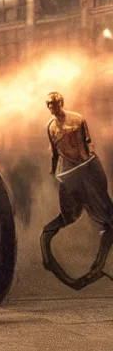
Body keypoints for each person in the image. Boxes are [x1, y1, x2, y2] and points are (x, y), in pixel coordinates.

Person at [40, 92, 113, 290]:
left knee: (108, 216)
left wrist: (88, 157)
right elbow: (55, 152)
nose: (52, 107)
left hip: (88, 169)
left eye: (55, 103)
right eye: (49, 104)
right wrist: (53, 169)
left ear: (61, 103)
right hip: (69, 173)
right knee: (67, 216)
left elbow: (88, 140)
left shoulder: (77, 119)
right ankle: (49, 251)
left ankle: (100, 265)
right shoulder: (51, 127)